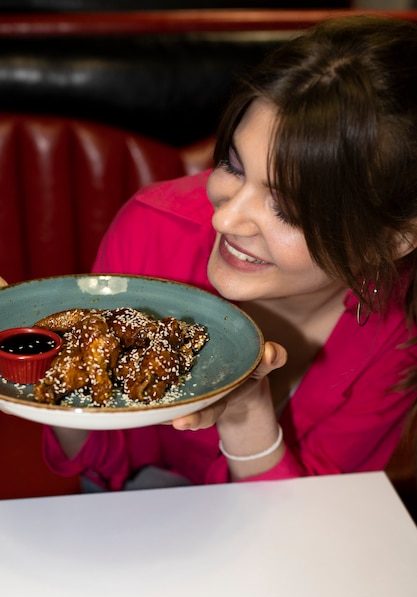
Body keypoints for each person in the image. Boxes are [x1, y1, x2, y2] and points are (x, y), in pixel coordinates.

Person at [36, 15, 417, 490]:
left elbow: (315, 520)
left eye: (290, 210)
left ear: (390, 240)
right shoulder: (155, 229)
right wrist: (55, 374)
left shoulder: (401, 330)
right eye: (232, 167)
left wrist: (245, 413)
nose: (224, 220)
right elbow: (100, 463)